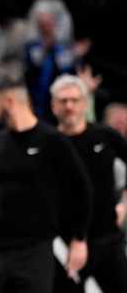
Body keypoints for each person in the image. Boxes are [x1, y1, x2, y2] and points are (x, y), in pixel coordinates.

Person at [0, 74, 92, 293]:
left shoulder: (53, 141)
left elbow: (82, 189)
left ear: (9, 101)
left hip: (35, 252)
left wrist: (79, 239)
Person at [50, 74, 127, 292]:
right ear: (53, 106)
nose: (69, 106)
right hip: (66, 243)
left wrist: (125, 205)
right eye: (63, 101)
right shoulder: (50, 143)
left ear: (85, 103)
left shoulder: (105, 135)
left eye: (75, 100)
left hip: (108, 237)